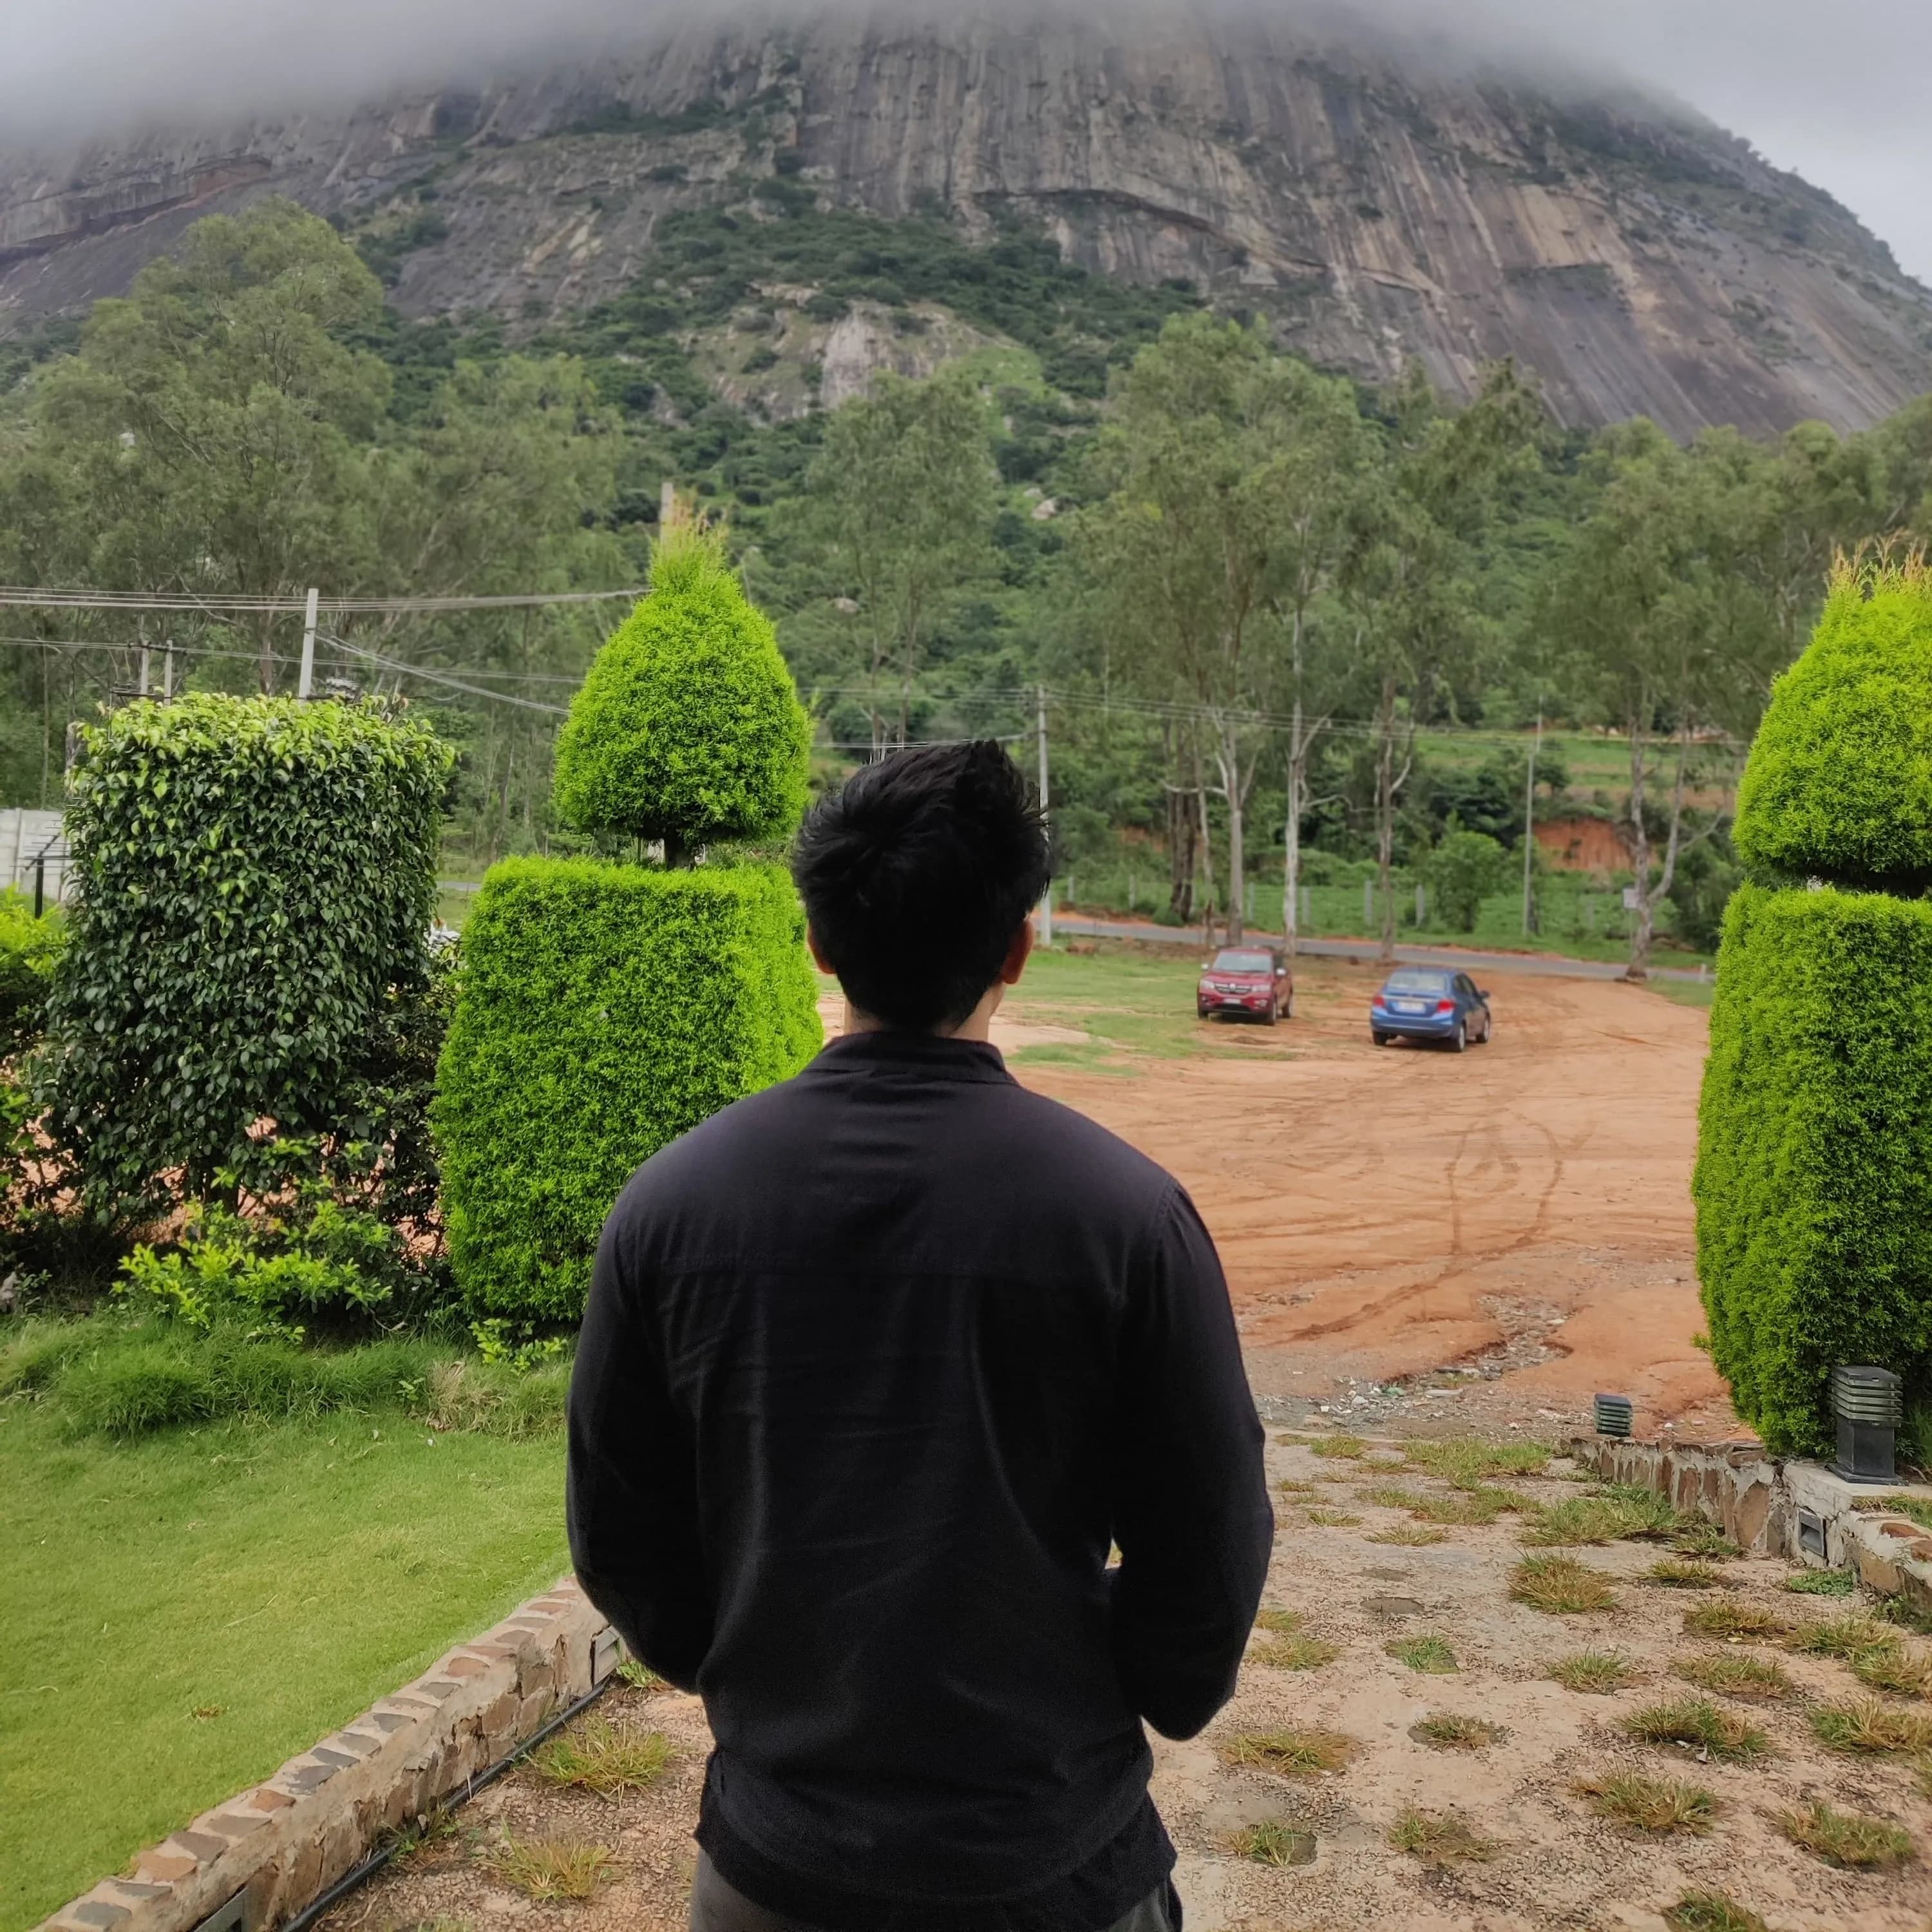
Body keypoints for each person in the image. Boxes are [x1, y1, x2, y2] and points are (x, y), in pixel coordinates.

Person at [567, 740, 1273, 1932]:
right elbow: (1208, 1546)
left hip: (773, 1866)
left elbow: (622, 1531)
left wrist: (751, 1672)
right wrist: (1142, 1679)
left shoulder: (671, 1208)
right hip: (1055, 1864)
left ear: (817, 943)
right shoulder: (1126, 1218)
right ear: (1017, 949)